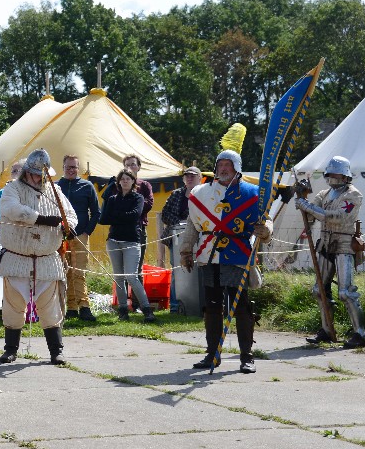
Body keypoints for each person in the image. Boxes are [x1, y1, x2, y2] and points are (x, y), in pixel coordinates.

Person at [179, 149, 272, 373]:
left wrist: (265, 230)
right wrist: (185, 251)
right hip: (208, 252)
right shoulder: (201, 193)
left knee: (241, 307)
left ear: (237, 169)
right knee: (211, 306)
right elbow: (193, 224)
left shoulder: (252, 193)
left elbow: (266, 221)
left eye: (228, 165)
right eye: (220, 165)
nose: (223, 169)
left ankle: (246, 356)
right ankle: (212, 354)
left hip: (238, 252)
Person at [0, 149, 76, 364]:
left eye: (42, 174)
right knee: (13, 306)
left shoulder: (55, 191)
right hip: (17, 257)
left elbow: (70, 215)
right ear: (25, 173)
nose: (39, 178)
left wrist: (70, 227)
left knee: (50, 306)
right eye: (34, 174)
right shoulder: (12, 189)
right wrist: (41, 219)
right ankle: (11, 349)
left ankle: (56, 350)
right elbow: (12, 209)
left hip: (47, 258)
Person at [296, 156, 365, 348]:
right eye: (330, 173)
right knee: (319, 290)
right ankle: (327, 330)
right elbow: (312, 215)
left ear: (345, 175)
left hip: (344, 245)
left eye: (336, 173)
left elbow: (338, 218)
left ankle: (360, 333)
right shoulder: (324, 194)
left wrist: (308, 207)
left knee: (346, 292)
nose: (332, 176)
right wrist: (302, 201)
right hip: (326, 244)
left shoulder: (353, 195)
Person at [101, 169, 155, 322]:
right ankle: (123, 310)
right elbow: (104, 218)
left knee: (131, 276)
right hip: (113, 241)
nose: (125, 181)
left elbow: (134, 216)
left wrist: (116, 215)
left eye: (128, 179)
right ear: (118, 182)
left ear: (133, 181)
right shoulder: (112, 199)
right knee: (118, 277)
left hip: (131, 241)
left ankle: (146, 309)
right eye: (122, 179)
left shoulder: (138, 198)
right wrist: (120, 214)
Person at [56, 155, 100, 322]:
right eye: (68, 167)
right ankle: (71, 307)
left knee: (79, 272)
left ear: (78, 168)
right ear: (63, 167)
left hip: (81, 235)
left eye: (74, 167)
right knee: (66, 272)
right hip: (61, 236)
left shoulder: (87, 186)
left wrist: (87, 231)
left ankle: (84, 307)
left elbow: (96, 212)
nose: (71, 170)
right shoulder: (56, 187)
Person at [104, 155, 154, 292]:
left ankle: (138, 303)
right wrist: (127, 212)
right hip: (118, 231)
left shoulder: (144, 185)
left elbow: (148, 204)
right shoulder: (118, 186)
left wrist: (132, 210)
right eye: (127, 165)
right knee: (120, 271)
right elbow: (109, 208)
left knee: (136, 269)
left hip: (138, 229)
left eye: (133, 164)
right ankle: (123, 303)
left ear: (138, 167)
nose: (130, 167)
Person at [160, 167, 201, 314]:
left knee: (200, 270)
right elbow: (165, 214)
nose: (189, 178)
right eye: (187, 176)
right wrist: (179, 222)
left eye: (192, 176)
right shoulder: (176, 194)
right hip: (177, 237)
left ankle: (199, 303)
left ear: (200, 178)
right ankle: (175, 306)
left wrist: (192, 223)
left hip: (200, 238)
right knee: (177, 270)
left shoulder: (205, 194)